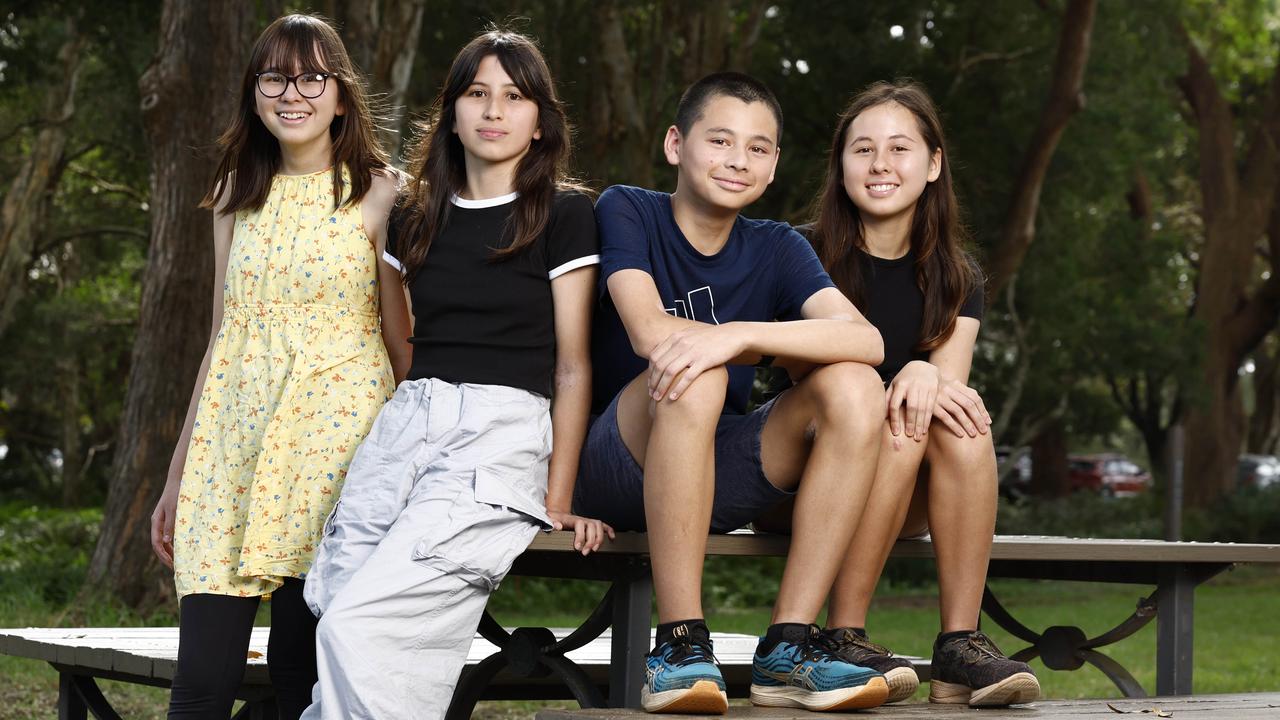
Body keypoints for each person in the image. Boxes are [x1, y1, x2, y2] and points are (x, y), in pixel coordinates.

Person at [299, 29, 609, 719]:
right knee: (336, 602)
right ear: (452, 112)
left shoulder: (562, 214)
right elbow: (400, 343)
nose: (493, 111)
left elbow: (572, 365)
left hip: (499, 435)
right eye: (477, 94)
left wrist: (557, 495)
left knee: (363, 626)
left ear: (539, 121)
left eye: (514, 96)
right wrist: (380, 240)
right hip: (408, 424)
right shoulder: (414, 217)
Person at [574, 72, 891, 714]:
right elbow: (648, 333)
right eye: (720, 140)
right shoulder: (627, 207)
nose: (737, 160)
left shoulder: (778, 246)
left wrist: (737, 335)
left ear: (773, 165)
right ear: (676, 144)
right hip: (617, 459)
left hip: (714, 465)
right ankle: (681, 646)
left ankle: (788, 645)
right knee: (697, 373)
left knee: (856, 387)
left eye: (756, 147)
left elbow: (867, 342)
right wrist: (726, 348)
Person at [147, 13, 410, 719]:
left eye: (311, 77)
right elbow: (220, 339)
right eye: (274, 76)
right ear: (254, 92)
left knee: (301, 677)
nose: (291, 93)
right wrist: (178, 475)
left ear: (340, 95)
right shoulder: (235, 191)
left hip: (335, 457)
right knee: (201, 681)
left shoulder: (382, 193)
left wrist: (409, 465)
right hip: (230, 452)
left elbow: (400, 340)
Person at [805, 80, 1041, 707]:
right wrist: (910, 374)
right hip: (807, 483)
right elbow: (812, 381)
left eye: (900, 148)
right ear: (841, 165)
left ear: (934, 164)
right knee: (901, 419)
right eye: (862, 149)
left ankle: (959, 644)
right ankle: (841, 633)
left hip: (901, 485)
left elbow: (951, 387)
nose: (881, 164)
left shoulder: (957, 276)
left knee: (960, 424)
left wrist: (929, 373)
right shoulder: (801, 254)